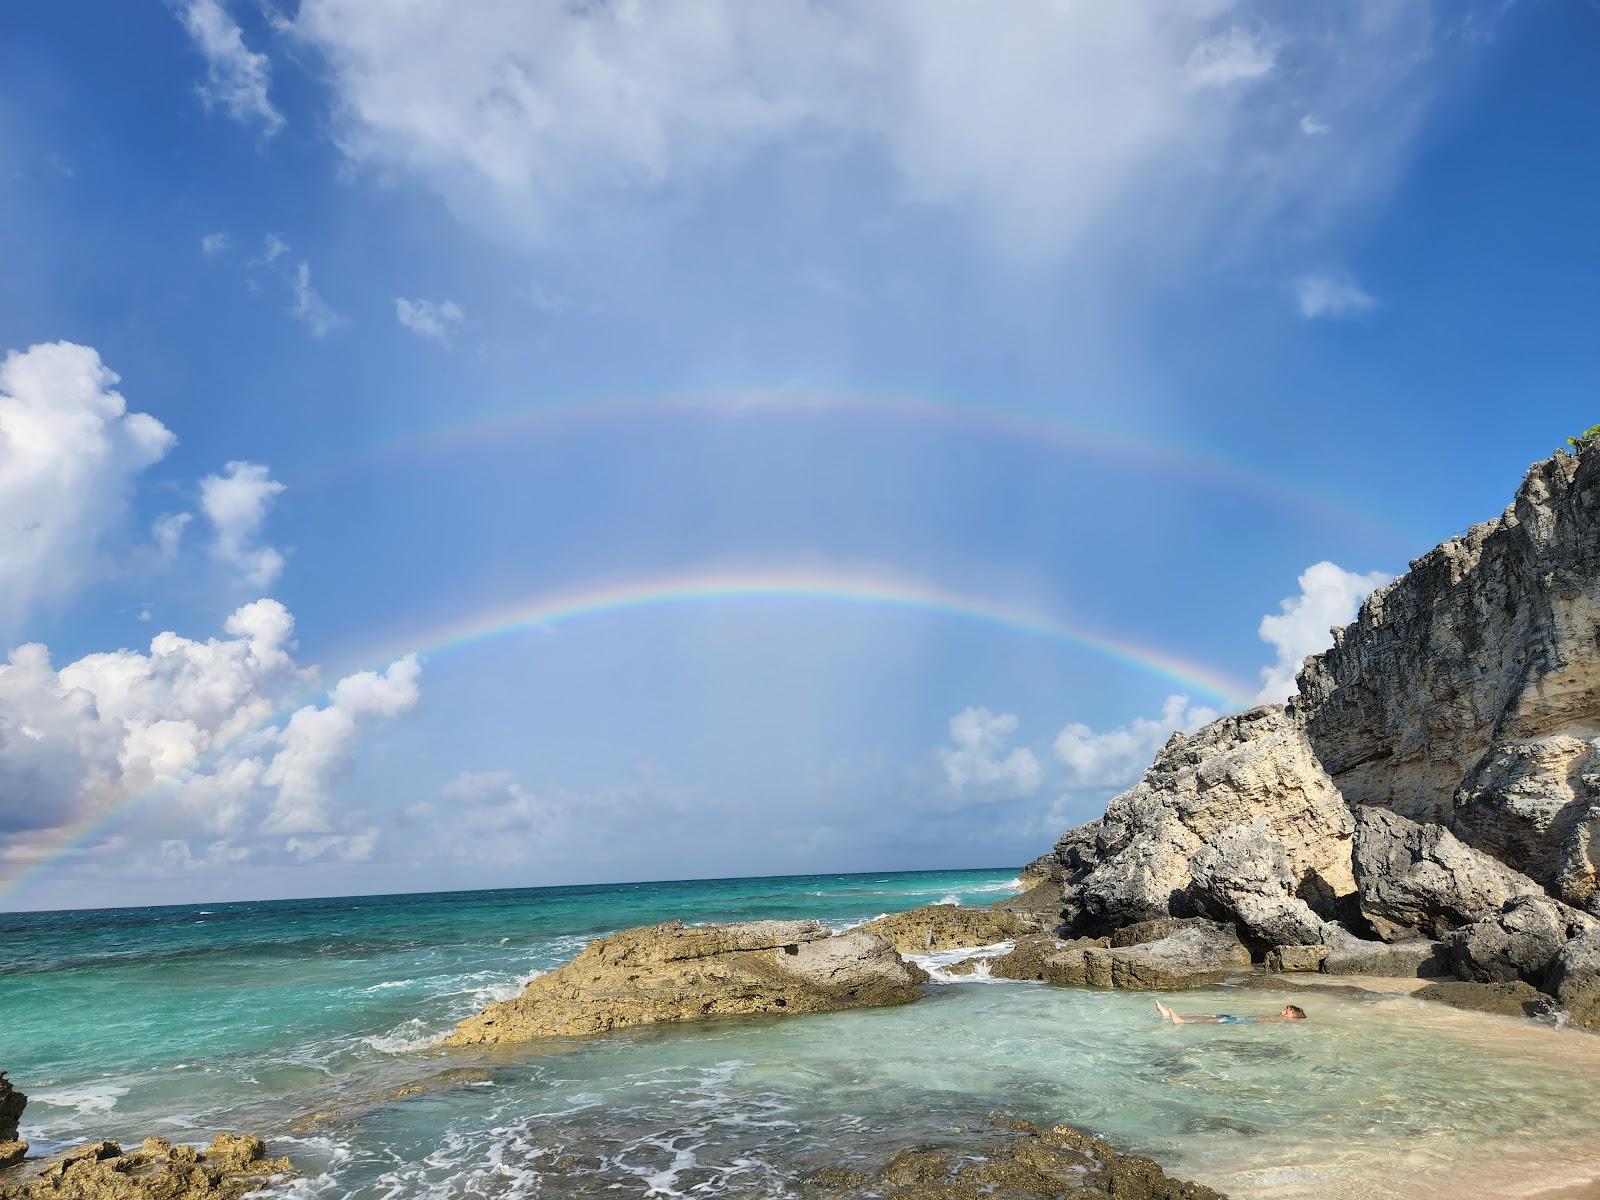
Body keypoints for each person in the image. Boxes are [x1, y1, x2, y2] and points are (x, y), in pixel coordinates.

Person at [1155, 1001, 1306, 1024]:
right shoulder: (1280, 1018)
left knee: (1215, 1021)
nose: (1283, 1010)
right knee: (1211, 1014)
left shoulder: (1284, 1021)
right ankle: (1168, 1015)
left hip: (1243, 1021)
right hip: (1242, 1017)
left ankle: (1183, 1022)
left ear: (1292, 1014)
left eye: (1287, 1010)